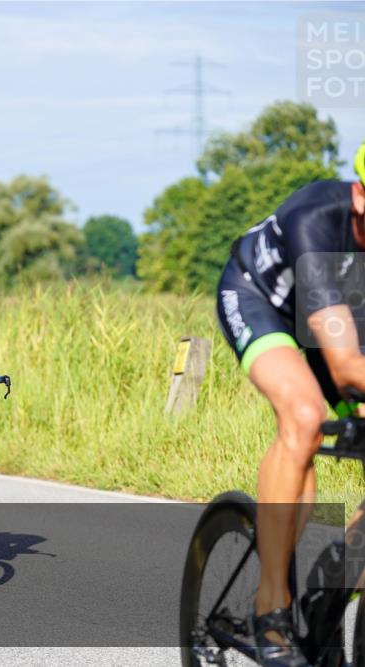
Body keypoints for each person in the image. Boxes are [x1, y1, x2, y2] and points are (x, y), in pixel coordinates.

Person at [214, 141, 365, 666]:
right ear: (362, 198)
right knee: (303, 417)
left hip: (339, 320)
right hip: (260, 300)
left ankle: (339, 570)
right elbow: (346, 368)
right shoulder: (317, 219)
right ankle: (270, 608)